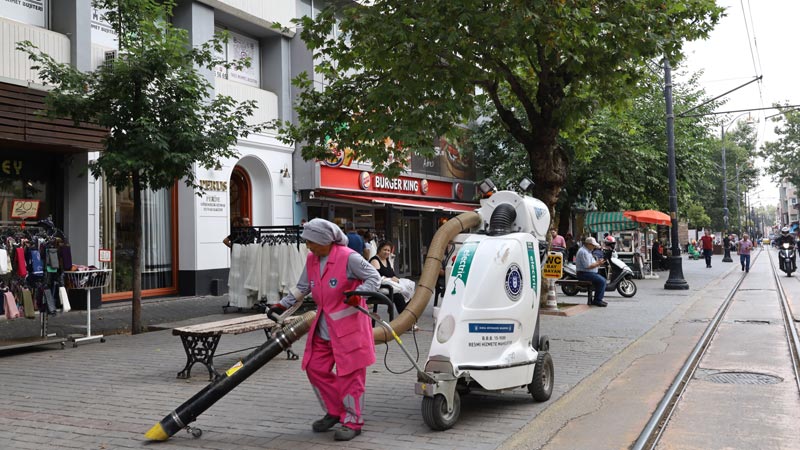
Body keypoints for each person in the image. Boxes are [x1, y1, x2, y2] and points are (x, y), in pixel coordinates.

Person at [267, 218, 381, 441]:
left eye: (311, 241)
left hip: (350, 328)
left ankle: (353, 420)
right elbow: (303, 287)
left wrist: (359, 293)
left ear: (325, 240)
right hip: (323, 326)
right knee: (314, 367)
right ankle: (335, 410)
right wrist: (282, 304)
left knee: (350, 376)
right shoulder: (312, 259)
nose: (308, 246)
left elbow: (374, 278)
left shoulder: (349, 257)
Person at [369, 240, 414, 315]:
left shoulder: (387, 260)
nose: (387, 252)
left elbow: (392, 274)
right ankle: (404, 320)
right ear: (379, 249)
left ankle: (409, 320)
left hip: (389, 287)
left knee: (407, 293)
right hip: (378, 288)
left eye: (388, 250)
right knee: (398, 296)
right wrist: (390, 279)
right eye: (385, 250)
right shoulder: (375, 260)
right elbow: (377, 278)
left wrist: (395, 279)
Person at [575, 237, 607, 307]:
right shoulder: (583, 252)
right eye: (593, 245)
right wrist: (598, 263)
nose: (594, 246)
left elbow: (591, 263)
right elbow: (588, 266)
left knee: (601, 280)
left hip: (589, 273)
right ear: (588, 244)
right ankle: (597, 300)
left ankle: (598, 299)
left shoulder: (588, 251)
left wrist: (598, 262)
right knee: (602, 281)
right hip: (584, 274)